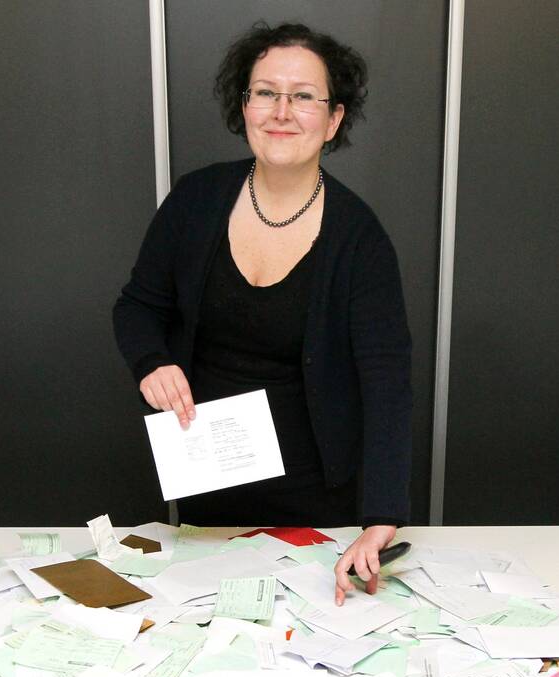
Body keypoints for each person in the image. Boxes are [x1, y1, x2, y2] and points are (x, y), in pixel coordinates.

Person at [113, 22, 411, 606]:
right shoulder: (195, 199)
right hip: (207, 484)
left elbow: (387, 382)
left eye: (304, 96)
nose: (282, 111)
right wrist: (150, 362)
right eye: (266, 92)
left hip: (315, 497)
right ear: (244, 106)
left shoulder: (360, 238)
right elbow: (138, 306)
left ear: (333, 119)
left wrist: (381, 516)